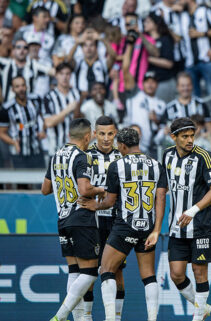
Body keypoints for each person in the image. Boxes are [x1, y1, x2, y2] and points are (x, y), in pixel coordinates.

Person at [79, 127, 168, 321]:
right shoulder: (156, 164)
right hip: (148, 227)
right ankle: (152, 319)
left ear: (122, 145)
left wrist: (95, 206)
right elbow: (161, 199)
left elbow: (110, 202)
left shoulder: (117, 166)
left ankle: (111, 318)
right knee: (149, 276)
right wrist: (156, 230)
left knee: (106, 269)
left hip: (124, 226)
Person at [42, 118, 106, 321]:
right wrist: (100, 190)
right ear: (88, 136)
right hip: (81, 218)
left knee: (74, 271)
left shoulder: (55, 156)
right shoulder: (82, 156)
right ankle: (60, 317)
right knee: (89, 272)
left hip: (62, 219)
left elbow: (45, 189)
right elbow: (84, 189)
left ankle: (78, 320)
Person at [162, 117, 211, 321]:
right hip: (177, 227)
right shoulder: (167, 156)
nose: (190, 140)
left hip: (201, 224)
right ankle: (202, 308)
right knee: (176, 274)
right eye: (185, 136)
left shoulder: (203, 156)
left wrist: (193, 210)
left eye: (192, 136)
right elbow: (162, 189)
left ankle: (197, 317)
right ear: (174, 138)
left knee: (199, 272)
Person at [83, 116, 124, 321]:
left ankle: (115, 318)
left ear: (115, 133)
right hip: (93, 220)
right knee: (90, 272)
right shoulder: (86, 156)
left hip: (116, 221)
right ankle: (87, 317)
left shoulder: (122, 156)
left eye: (110, 134)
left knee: (116, 273)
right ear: (94, 134)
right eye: (102, 134)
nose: (106, 138)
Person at [162, 72, 211, 155]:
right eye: (182, 86)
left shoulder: (201, 104)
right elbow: (165, 131)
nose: (185, 88)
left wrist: (208, 137)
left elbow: (209, 128)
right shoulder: (169, 108)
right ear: (177, 87)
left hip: (200, 149)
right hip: (178, 152)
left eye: (188, 85)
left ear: (192, 86)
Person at [0, 76, 45, 169]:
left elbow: (44, 118)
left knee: (41, 181)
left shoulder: (35, 100)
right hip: (19, 152)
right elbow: (1, 133)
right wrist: (13, 142)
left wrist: (43, 130)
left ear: (26, 86)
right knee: (22, 182)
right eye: (17, 86)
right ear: (12, 89)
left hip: (36, 149)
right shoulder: (7, 109)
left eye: (23, 85)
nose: (21, 89)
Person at [42, 62, 81, 156]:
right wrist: (67, 110)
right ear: (56, 76)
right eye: (61, 74)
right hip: (55, 147)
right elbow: (48, 123)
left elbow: (78, 118)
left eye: (67, 74)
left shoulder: (76, 94)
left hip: (73, 148)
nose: (65, 77)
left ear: (71, 76)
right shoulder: (49, 97)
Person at [124, 71, 166, 156]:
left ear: (157, 84)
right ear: (142, 84)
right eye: (147, 82)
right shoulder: (134, 96)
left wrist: (156, 120)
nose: (150, 85)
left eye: (153, 82)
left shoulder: (162, 104)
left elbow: (163, 128)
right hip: (132, 144)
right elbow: (126, 72)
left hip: (150, 147)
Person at [183, 0, 211, 99]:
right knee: (194, 97)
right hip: (190, 63)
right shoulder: (182, 15)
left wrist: (201, 34)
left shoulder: (205, 10)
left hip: (207, 60)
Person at [143, 12, 176, 103]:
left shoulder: (165, 40)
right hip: (149, 84)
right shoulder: (144, 41)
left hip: (164, 82)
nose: (145, 24)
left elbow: (169, 63)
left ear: (156, 24)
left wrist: (148, 59)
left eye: (148, 22)